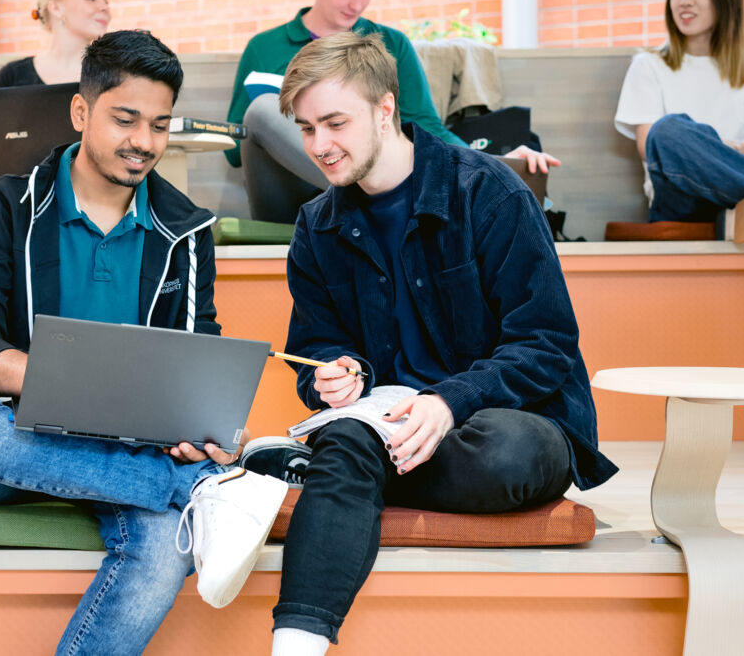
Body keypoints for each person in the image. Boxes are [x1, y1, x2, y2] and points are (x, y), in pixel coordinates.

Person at [0, 30, 288, 655]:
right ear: (82, 112)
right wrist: (47, 379)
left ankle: (185, 487)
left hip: (121, 450)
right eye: (126, 119)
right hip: (14, 447)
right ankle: (194, 495)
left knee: (165, 550)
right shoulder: (8, 205)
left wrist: (203, 426)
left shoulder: (186, 231)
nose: (144, 142)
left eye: (160, 125)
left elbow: (194, 356)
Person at [238, 32, 615, 655]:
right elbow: (317, 346)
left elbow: (546, 344)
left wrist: (446, 403)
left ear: (386, 109)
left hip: (503, 420)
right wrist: (336, 373)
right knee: (351, 436)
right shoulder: (316, 227)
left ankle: (332, 475)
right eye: (305, 129)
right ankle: (295, 646)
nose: (319, 146)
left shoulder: (488, 192)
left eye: (335, 122)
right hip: (384, 421)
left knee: (508, 458)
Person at [226, 0, 557, 223]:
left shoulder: (392, 44)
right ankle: (380, 192)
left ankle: (386, 192)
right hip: (292, 198)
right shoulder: (264, 48)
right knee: (263, 109)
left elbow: (426, 127)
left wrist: (492, 163)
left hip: (377, 188)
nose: (356, 5)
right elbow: (232, 151)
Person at [614, 0, 744, 243]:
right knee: (667, 130)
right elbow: (649, 144)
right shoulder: (649, 64)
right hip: (680, 198)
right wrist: (718, 150)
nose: (685, 0)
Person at [0, 0, 110, 87]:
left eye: (106, 0)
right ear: (56, 8)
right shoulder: (12, 76)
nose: (104, 7)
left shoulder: (115, 74)